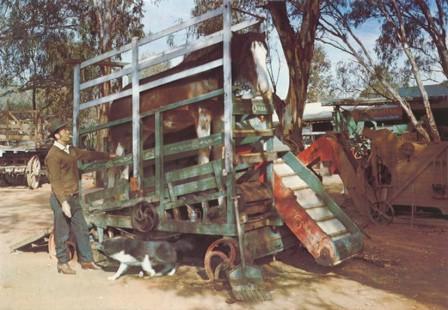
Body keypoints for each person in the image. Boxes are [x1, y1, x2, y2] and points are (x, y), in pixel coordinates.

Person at [45, 120, 113, 275]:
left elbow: (87, 154)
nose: (68, 132)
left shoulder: (70, 150)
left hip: (73, 198)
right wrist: (63, 203)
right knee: (62, 232)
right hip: (60, 198)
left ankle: (87, 261)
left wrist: (107, 156)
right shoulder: (53, 156)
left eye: (67, 130)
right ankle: (62, 263)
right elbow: (55, 182)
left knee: (81, 229)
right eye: (64, 131)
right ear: (57, 136)